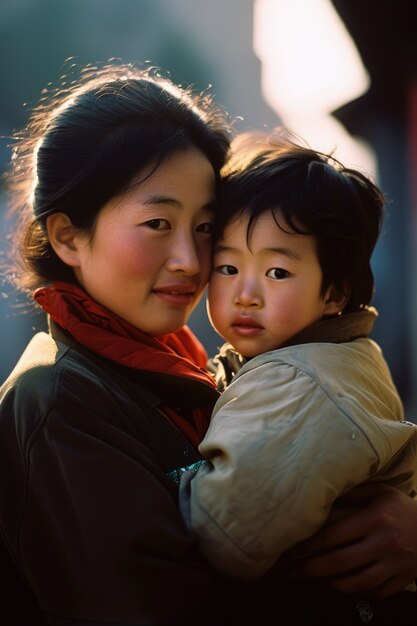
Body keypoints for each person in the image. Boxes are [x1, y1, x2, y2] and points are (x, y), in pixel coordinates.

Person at [0, 62, 416, 626]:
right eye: (157, 224)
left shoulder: (191, 367)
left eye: (203, 229)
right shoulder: (58, 401)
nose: (190, 262)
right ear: (69, 236)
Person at [179, 131, 417, 623]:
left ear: (335, 294)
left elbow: (229, 537)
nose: (246, 294)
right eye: (226, 266)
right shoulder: (300, 357)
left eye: (278, 273)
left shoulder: (303, 381)